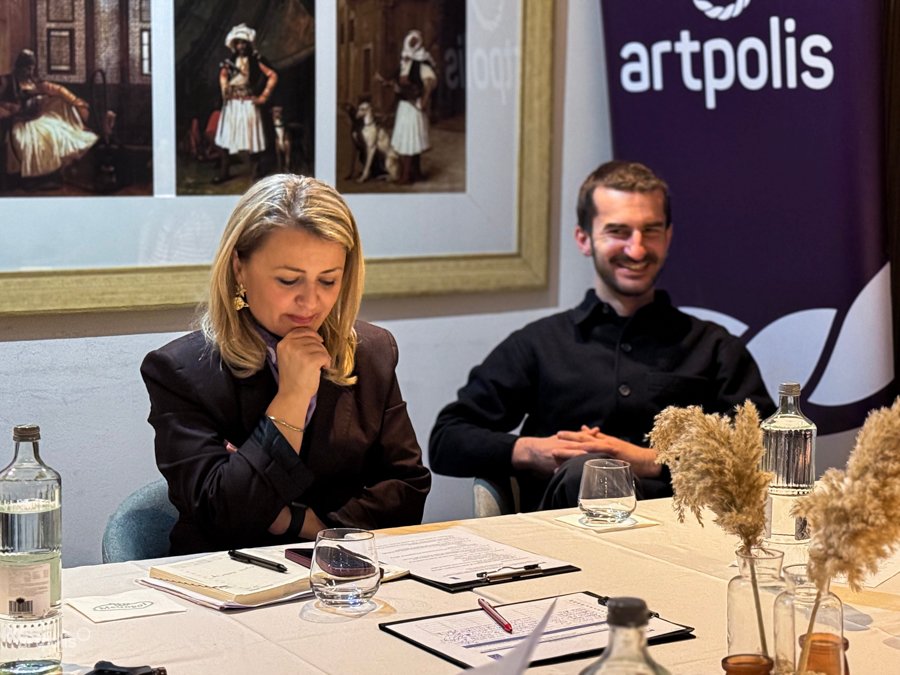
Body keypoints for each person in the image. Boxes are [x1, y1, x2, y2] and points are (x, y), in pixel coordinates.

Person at [429, 160, 774, 511]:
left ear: (668, 237)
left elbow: (765, 451)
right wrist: (532, 450)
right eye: (618, 232)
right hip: (559, 537)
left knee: (593, 470)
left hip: (681, 533)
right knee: (585, 472)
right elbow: (446, 440)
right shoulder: (538, 344)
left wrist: (651, 460)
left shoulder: (714, 347)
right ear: (584, 239)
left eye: (650, 231)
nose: (637, 249)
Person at [141, 174, 431, 554]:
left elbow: (407, 488)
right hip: (228, 578)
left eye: (328, 281)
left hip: (344, 572)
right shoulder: (181, 371)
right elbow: (223, 517)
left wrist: (302, 522)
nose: (310, 302)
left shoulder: (372, 351)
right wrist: (292, 397)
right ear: (239, 268)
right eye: (289, 280)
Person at [0, 49, 97, 189]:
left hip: (35, 119)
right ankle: (34, 178)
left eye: (31, 68)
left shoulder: (35, 82)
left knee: (54, 130)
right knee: (29, 140)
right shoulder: (6, 81)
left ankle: (50, 175)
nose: (29, 72)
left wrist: (76, 102)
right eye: (26, 68)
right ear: (19, 67)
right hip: (18, 122)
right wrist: (9, 107)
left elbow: (56, 90)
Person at [212, 23, 278, 184]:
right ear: (234, 45)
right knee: (226, 138)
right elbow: (223, 76)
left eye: (243, 42)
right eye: (238, 43)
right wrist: (224, 88)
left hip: (248, 103)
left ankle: (255, 174)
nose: (241, 46)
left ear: (248, 43)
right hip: (232, 104)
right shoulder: (230, 61)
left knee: (252, 139)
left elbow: (272, 75)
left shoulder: (256, 59)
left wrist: (263, 97)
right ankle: (224, 172)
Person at [383, 29, 437, 184]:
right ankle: (415, 173)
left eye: (415, 41)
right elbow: (396, 82)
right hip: (404, 107)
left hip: (415, 108)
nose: (413, 44)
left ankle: (407, 176)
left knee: (411, 140)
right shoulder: (403, 64)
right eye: (410, 41)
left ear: (419, 43)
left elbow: (430, 82)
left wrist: (424, 100)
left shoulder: (421, 62)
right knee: (408, 139)